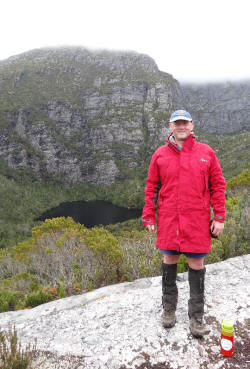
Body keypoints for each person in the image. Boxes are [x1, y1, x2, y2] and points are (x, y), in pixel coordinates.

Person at [142, 109, 226, 338]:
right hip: (169, 219)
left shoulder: (206, 153)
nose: (181, 127)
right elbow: (151, 186)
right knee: (169, 260)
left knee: (196, 265)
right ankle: (168, 309)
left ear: (192, 126)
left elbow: (218, 185)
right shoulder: (159, 154)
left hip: (196, 220)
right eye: (176, 123)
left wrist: (219, 217)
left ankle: (196, 316)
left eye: (185, 123)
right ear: (170, 127)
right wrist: (149, 215)